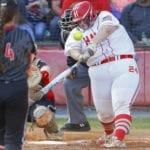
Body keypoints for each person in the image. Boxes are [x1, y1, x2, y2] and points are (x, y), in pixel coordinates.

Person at [64, 1, 140, 148]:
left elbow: (106, 29)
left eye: (82, 19)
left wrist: (93, 43)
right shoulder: (76, 32)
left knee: (121, 103)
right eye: (77, 21)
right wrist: (79, 56)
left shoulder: (104, 17)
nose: (80, 23)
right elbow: (71, 48)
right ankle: (109, 135)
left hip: (122, 64)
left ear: (91, 15)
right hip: (97, 70)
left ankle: (118, 139)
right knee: (104, 113)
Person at [59, 0, 111, 132]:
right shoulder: (69, 32)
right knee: (70, 82)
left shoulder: (101, 21)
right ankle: (78, 122)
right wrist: (72, 66)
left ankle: (119, 123)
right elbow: (72, 50)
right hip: (87, 65)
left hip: (108, 62)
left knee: (112, 90)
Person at [0, 0, 36, 150]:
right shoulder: (23, 34)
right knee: (13, 140)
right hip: (17, 88)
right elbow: (30, 61)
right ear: (15, 14)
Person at [27, 57, 63, 140]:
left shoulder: (38, 63)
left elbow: (46, 69)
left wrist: (42, 74)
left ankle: (53, 131)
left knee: (41, 113)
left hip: (38, 102)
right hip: (17, 104)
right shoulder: (12, 64)